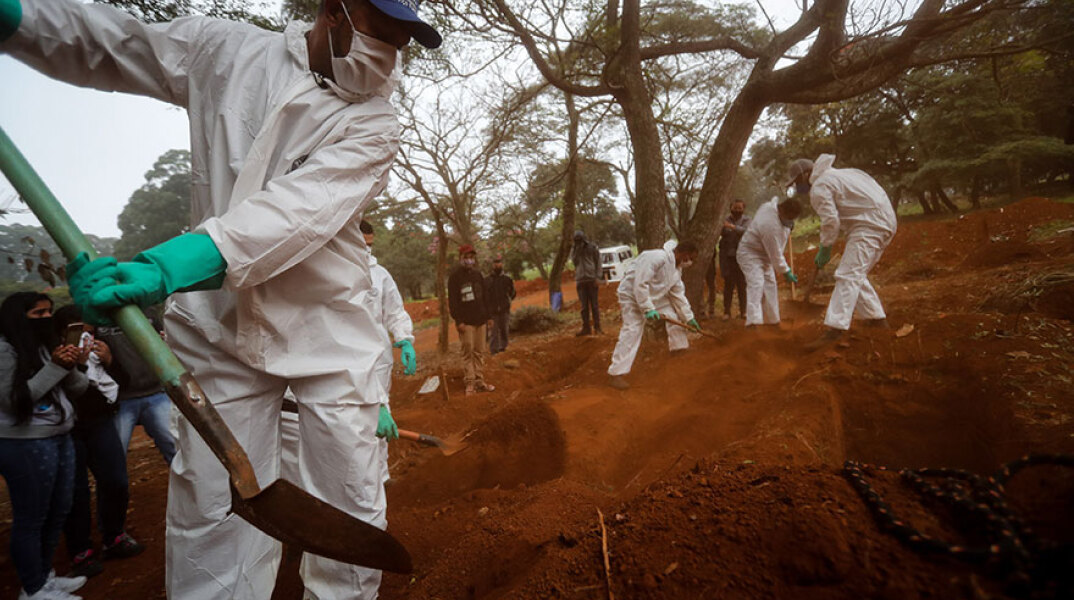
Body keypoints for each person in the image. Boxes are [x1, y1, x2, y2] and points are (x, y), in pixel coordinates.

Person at [4, 0, 443, 598]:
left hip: (327, 332)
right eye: (381, 33)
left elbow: (295, 214)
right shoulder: (227, 51)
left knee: (350, 503)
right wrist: (19, 21)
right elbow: (119, 42)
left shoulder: (376, 123)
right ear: (332, 12)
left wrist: (167, 265)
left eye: (401, 42)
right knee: (210, 512)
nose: (388, 56)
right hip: (217, 330)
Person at [0, 292, 90, 600]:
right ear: (17, 316)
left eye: (49, 312)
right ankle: (33, 589)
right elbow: (13, 403)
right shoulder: (4, 349)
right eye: (38, 314)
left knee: (57, 510)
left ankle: (44, 576)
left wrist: (72, 365)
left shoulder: (43, 347)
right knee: (32, 516)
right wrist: (54, 367)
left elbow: (78, 389)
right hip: (24, 442)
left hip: (59, 435)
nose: (46, 319)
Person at [53, 307, 144, 580]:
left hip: (100, 423)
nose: (86, 338)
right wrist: (74, 365)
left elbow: (123, 383)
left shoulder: (99, 353)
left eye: (90, 332)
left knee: (116, 480)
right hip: (68, 430)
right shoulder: (54, 357)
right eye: (78, 332)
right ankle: (80, 550)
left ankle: (113, 536)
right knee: (76, 491)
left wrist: (110, 360)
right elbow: (73, 390)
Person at [787, 155, 897, 349]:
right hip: (884, 222)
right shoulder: (846, 173)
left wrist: (825, 248)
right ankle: (876, 319)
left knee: (847, 275)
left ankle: (835, 329)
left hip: (868, 226)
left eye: (797, 182)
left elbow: (831, 222)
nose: (798, 188)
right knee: (855, 274)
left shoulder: (820, 187)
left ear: (806, 175)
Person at [607, 241, 701, 390]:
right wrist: (647, 308)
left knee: (674, 315)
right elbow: (640, 283)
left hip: (653, 298)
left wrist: (689, 318)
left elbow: (678, 296)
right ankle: (616, 373)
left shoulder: (676, 271)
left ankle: (679, 350)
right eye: (691, 258)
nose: (691, 261)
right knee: (632, 330)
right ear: (684, 253)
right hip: (631, 295)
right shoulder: (657, 257)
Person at [94, 323, 177, 466]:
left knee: (174, 444)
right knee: (114, 455)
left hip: (155, 391)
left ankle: (190, 485)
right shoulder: (95, 317)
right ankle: (115, 487)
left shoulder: (147, 312)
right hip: (119, 399)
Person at [736, 198, 802, 328]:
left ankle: (773, 321)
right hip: (750, 253)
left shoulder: (769, 207)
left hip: (764, 255)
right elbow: (775, 255)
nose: (790, 220)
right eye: (789, 217)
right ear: (781, 210)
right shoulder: (769, 226)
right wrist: (786, 271)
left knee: (770, 286)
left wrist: (787, 226)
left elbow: (775, 250)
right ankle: (753, 323)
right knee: (756, 283)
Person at [448, 244, 495, 394]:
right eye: (466, 257)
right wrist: (458, 321)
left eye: (471, 257)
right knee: (467, 352)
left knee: (479, 352)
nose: (469, 260)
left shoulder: (478, 275)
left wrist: (489, 317)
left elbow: (486, 297)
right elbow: (453, 301)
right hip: (466, 322)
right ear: (461, 258)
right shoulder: (454, 278)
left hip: (481, 320)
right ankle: (470, 383)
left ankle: (480, 381)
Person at [718, 199, 751, 320]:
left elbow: (746, 231)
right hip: (727, 258)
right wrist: (735, 229)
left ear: (743, 209)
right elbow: (721, 231)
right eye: (735, 208)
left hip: (742, 258)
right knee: (728, 285)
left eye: (739, 208)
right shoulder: (724, 219)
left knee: (742, 285)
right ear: (730, 208)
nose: (737, 210)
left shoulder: (747, 220)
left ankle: (744, 312)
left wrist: (732, 227)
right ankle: (726, 312)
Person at [571, 230, 603, 336]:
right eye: (576, 241)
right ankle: (586, 328)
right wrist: (577, 250)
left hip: (592, 279)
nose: (578, 242)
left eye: (580, 240)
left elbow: (598, 262)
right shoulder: (574, 249)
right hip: (580, 280)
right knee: (584, 307)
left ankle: (597, 327)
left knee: (594, 305)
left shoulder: (592, 248)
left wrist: (598, 277)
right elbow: (575, 262)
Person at [484, 255, 515, 354]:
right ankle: (494, 350)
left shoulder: (507, 279)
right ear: (492, 265)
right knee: (493, 332)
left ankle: (503, 347)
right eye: (495, 263)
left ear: (502, 264)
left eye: (499, 262)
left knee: (504, 330)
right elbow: (485, 296)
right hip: (492, 311)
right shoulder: (487, 280)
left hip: (504, 309)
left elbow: (513, 293)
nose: (497, 265)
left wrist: (507, 301)